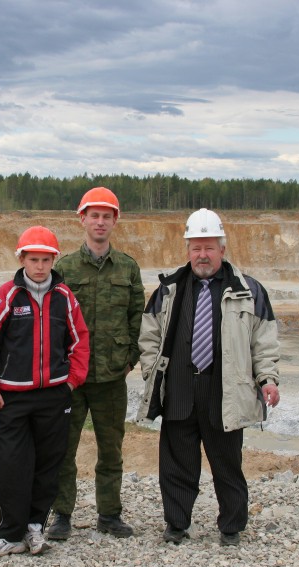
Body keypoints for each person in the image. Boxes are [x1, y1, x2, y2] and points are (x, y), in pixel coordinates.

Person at [137, 208, 280, 546]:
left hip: (224, 391)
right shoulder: (169, 288)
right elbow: (149, 336)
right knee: (175, 464)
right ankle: (176, 525)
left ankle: (231, 527)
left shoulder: (249, 291)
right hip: (180, 389)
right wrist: (151, 373)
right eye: (196, 248)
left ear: (222, 250)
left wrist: (268, 379)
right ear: (187, 251)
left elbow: (264, 342)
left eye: (209, 248)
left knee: (227, 463)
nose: (202, 255)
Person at [0, 226, 90, 557]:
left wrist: (72, 381)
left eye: (45, 259)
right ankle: (9, 533)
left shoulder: (65, 298)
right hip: (12, 396)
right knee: (12, 465)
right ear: (22, 259)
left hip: (54, 396)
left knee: (47, 465)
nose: (39, 266)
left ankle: (34, 528)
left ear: (53, 260)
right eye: (33, 259)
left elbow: (79, 340)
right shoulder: (6, 296)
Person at [46, 187, 144, 540]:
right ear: (82, 219)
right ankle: (62, 516)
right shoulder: (65, 268)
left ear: (115, 221)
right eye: (94, 215)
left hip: (112, 378)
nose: (100, 222)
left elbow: (138, 318)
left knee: (111, 450)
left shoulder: (128, 268)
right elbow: (53, 320)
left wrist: (129, 358)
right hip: (72, 378)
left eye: (107, 216)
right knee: (64, 449)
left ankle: (110, 514)